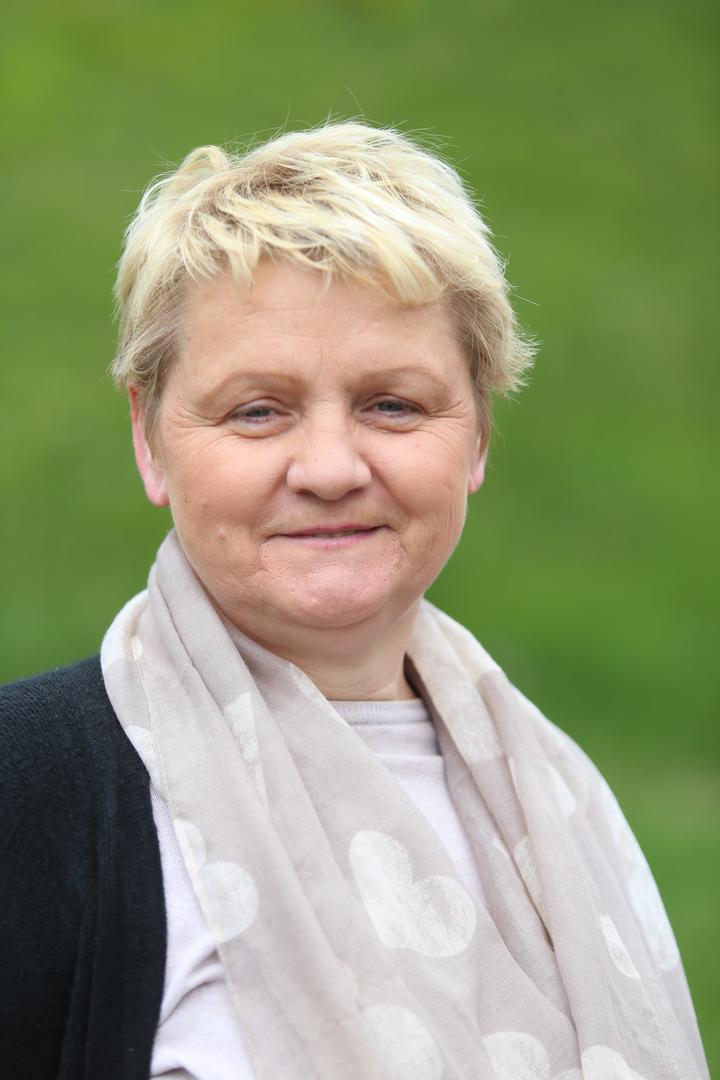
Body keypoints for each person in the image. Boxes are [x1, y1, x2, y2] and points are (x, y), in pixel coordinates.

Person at [0, 122, 708, 1080]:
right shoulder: (24, 795)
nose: (330, 469)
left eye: (393, 405)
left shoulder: (563, 803)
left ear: (478, 434)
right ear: (149, 438)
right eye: (257, 410)